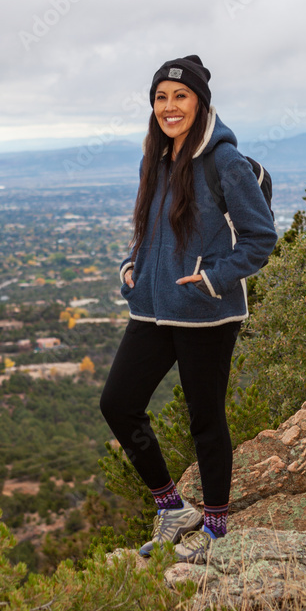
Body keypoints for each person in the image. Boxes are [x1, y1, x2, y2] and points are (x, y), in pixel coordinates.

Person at [99, 55, 278, 563]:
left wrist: (213, 278)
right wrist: (131, 265)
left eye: (180, 96)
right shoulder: (155, 157)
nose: (169, 106)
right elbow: (151, 230)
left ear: (200, 102)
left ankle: (217, 529)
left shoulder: (224, 161)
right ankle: (172, 508)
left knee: (205, 419)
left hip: (206, 311)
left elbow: (260, 237)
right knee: (118, 403)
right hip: (154, 308)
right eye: (161, 97)